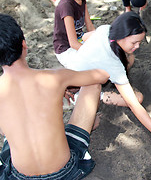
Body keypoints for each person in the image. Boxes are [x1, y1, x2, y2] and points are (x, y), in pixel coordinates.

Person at [0, 13, 110, 179]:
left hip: (19, 176)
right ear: (24, 44)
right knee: (92, 85)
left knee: (9, 139)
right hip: (64, 172)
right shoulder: (54, 77)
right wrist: (65, 86)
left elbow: (4, 131)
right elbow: (102, 76)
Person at [64, 11, 151, 158]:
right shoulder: (113, 63)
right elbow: (134, 105)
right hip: (80, 89)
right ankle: (98, 96)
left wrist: (89, 57)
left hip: (71, 74)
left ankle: (94, 89)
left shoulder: (105, 29)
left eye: (139, 42)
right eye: (134, 42)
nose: (137, 46)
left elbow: (84, 37)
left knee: (130, 58)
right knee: (138, 98)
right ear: (122, 35)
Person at [53, 0, 100, 68]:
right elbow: (73, 43)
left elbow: (90, 26)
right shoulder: (67, 5)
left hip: (80, 40)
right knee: (94, 65)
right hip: (66, 49)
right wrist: (94, 54)